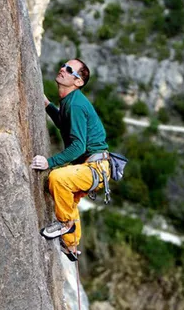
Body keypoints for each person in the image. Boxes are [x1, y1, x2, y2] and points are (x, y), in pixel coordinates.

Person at [30, 58, 109, 261]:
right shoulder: (69, 102)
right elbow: (65, 125)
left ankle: (66, 225)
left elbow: (78, 146)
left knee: (57, 179)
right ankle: (71, 244)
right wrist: (48, 105)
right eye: (63, 66)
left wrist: (50, 162)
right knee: (69, 199)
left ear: (78, 82)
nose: (62, 70)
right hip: (94, 167)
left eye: (68, 69)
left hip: (94, 167)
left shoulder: (75, 104)